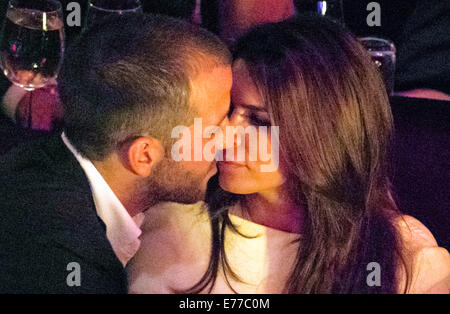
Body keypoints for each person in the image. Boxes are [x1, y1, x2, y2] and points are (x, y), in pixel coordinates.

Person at [128, 15, 450, 293]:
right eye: (226, 112)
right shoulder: (170, 226)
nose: (226, 134)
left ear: (324, 132)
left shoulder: (404, 259)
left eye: (258, 120)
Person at [0, 13, 232, 293]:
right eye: (214, 130)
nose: (231, 138)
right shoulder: (68, 267)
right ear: (143, 156)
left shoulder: (35, 162)